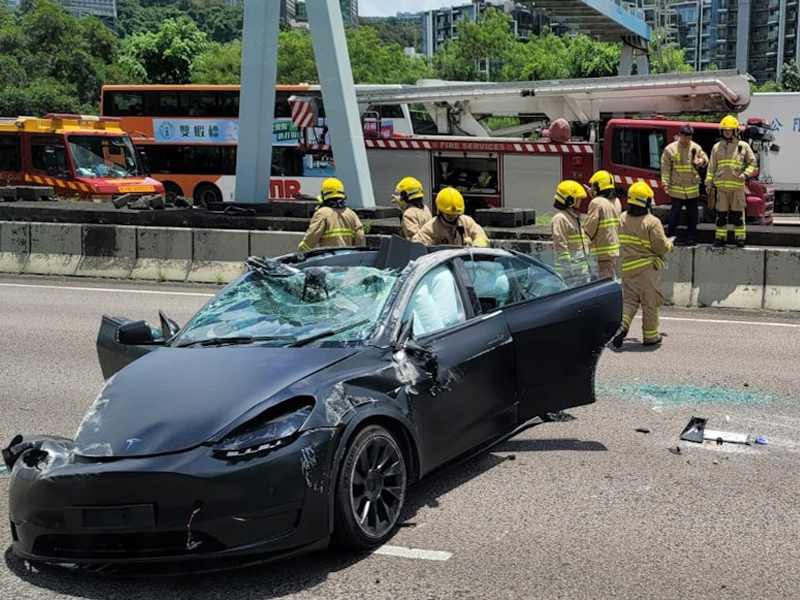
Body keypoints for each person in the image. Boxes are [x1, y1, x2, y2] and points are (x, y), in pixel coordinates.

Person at [612, 181, 674, 349]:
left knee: (630, 302)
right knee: (650, 303)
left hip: (628, 269)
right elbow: (660, 247)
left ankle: (622, 327)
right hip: (647, 270)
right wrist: (670, 244)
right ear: (646, 201)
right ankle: (650, 337)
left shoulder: (622, 218)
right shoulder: (651, 222)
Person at [705, 115, 756, 248]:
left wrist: (745, 174)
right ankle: (720, 238)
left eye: (730, 130)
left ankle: (740, 238)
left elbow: (753, 163)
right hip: (721, 189)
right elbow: (711, 167)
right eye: (725, 130)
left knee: (738, 215)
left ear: (735, 131)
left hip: (737, 188)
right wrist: (708, 184)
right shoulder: (716, 147)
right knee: (720, 215)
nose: (727, 132)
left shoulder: (743, 146)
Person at [661, 123, 708, 246]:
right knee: (674, 214)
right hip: (677, 188)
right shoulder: (670, 149)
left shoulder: (696, 148)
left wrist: (701, 161)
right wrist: (665, 183)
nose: (687, 140)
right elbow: (665, 168)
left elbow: (705, 158)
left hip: (692, 188)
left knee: (693, 216)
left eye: (689, 137)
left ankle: (691, 237)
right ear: (680, 135)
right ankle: (671, 236)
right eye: (685, 136)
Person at [298, 177, 365, 252]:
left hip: (330, 258)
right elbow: (360, 237)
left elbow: (311, 238)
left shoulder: (322, 213)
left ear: (324, 194)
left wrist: (300, 252)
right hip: (348, 258)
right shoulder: (351, 214)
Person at [412, 187, 489, 247]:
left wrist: (477, 245)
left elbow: (481, 236)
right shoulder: (431, 228)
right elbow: (417, 246)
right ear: (440, 210)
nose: (452, 216)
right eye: (448, 214)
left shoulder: (466, 222)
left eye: (455, 214)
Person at [551, 180, 590, 285]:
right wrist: (568, 270)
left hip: (580, 273)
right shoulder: (560, 219)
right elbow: (561, 247)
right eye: (578, 199)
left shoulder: (573, 217)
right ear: (569, 200)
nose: (580, 201)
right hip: (569, 275)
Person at [583, 170, 621, 280]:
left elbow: (589, 229)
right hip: (612, 249)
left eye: (593, 186)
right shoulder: (616, 201)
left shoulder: (597, 203)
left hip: (601, 252)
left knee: (604, 286)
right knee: (610, 278)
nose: (592, 188)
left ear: (599, 186)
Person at [391, 176, 433, 240]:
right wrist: (401, 202)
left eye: (401, 194)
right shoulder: (425, 209)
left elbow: (414, 240)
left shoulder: (408, 214)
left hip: (417, 249)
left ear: (405, 196)